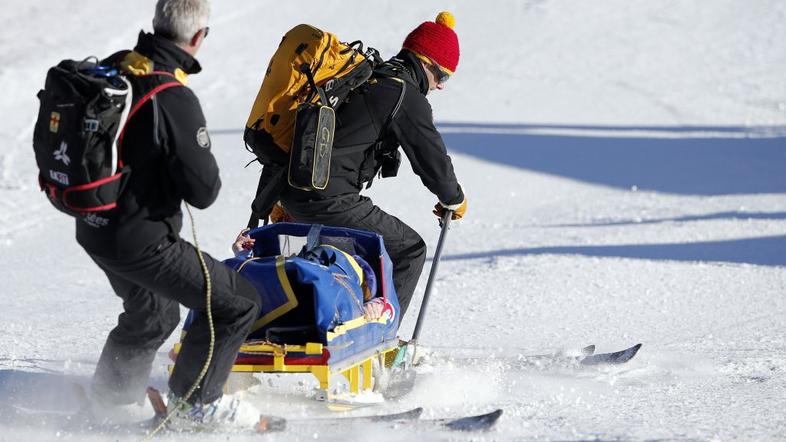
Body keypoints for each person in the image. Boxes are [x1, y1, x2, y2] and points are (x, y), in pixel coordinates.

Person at [75, 0, 261, 430]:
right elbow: (204, 191)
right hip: (139, 239)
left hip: (93, 226)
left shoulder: (117, 65)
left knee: (154, 315)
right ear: (198, 38)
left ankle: (110, 403)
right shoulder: (173, 96)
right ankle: (198, 403)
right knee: (237, 302)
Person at [249, 11, 468, 319]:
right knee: (409, 250)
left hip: (292, 192)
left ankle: (329, 317)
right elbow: (430, 155)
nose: (440, 86)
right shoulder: (405, 96)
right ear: (426, 62)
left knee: (355, 251)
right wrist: (453, 197)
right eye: (442, 76)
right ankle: (383, 340)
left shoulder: (371, 76)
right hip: (329, 199)